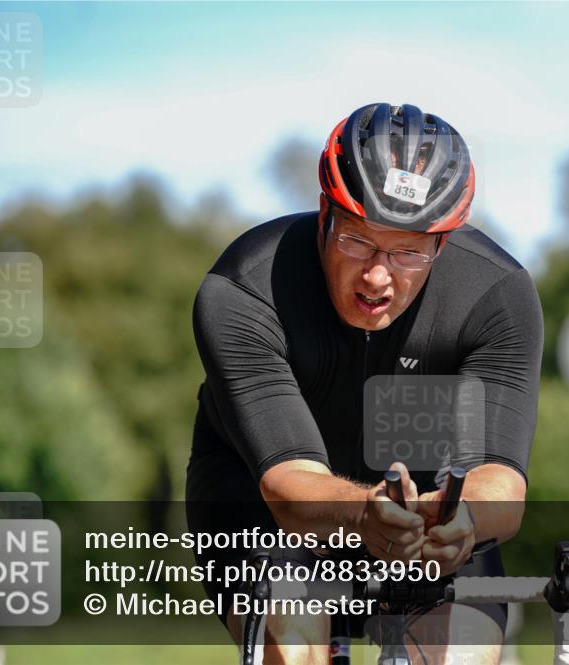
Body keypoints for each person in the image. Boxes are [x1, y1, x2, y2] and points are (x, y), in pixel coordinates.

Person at [186, 102, 543, 664]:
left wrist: (464, 518)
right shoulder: (244, 290)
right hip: (268, 505)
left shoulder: (495, 295)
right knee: (296, 647)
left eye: (407, 252)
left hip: (428, 508)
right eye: (357, 240)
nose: (378, 276)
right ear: (324, 211)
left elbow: (501, 482)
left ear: (443, 243)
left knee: (461, 654)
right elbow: (289, 483)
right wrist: (363, 512)